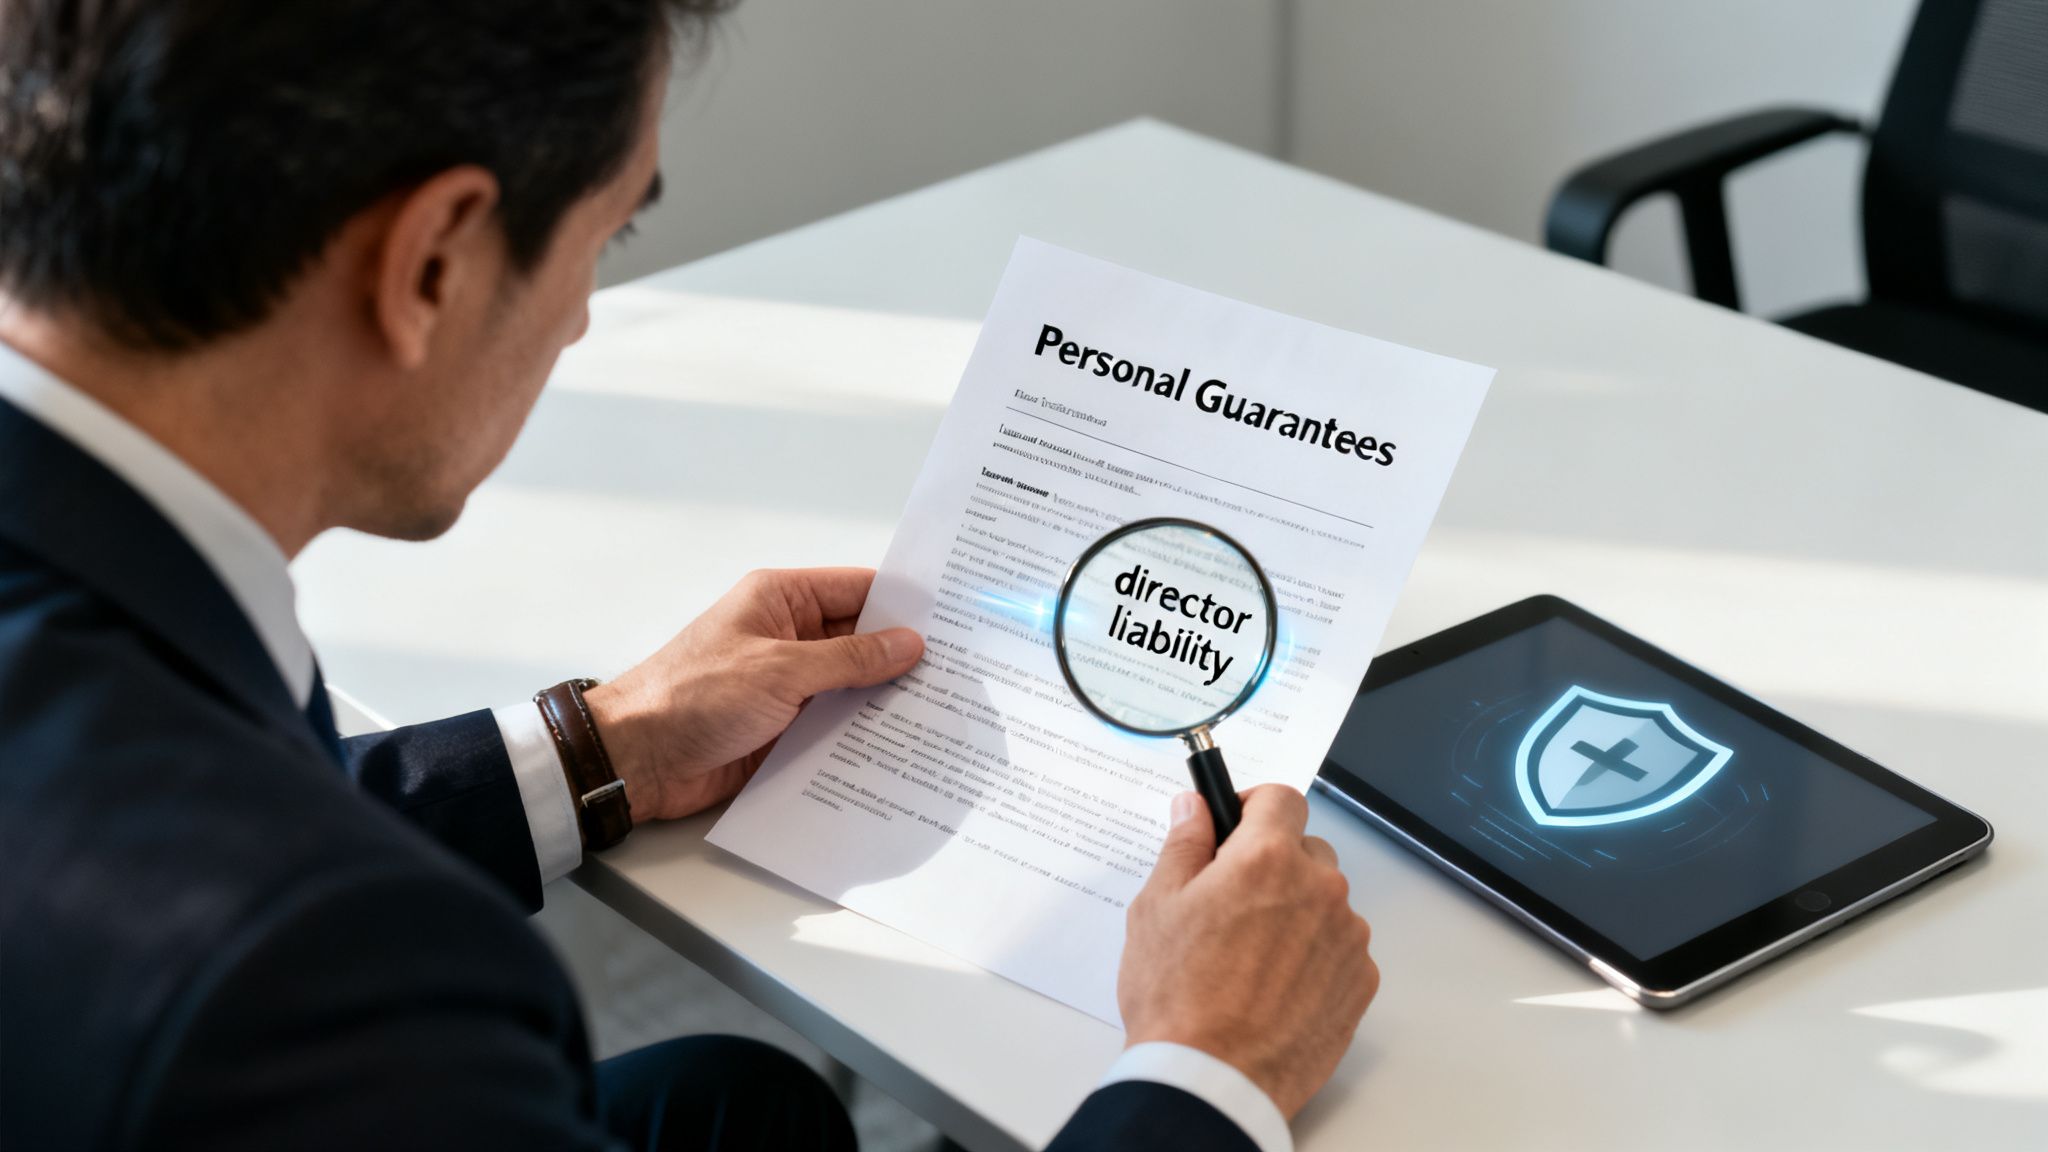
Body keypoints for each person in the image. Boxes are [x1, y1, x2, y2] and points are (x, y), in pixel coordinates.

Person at [0, 2, 1380, 1149]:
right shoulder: (322, 983)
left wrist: (594, 750)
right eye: (610, 236)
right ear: (430, 260)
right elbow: (257, 900)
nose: (587, 313)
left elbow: (201, 810)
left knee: (733, 1111)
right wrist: (1207, 1069)